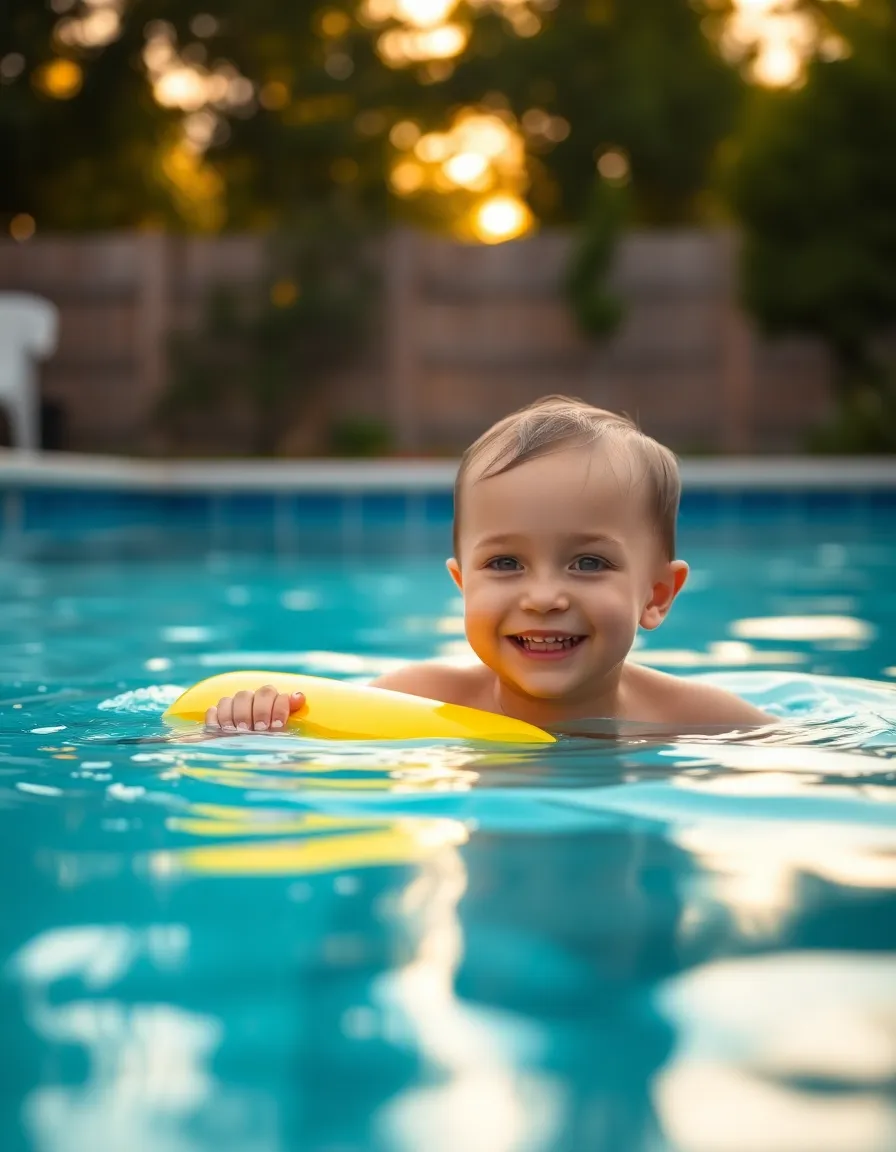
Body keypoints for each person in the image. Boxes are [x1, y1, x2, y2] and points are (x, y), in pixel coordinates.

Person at [205, 396, 771, 734]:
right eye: (505, 563)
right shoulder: (416, 702)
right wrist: (251, 736)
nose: (544, 597)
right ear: (462, 583)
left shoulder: (700, 723)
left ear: (657, 596)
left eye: (588, 562)